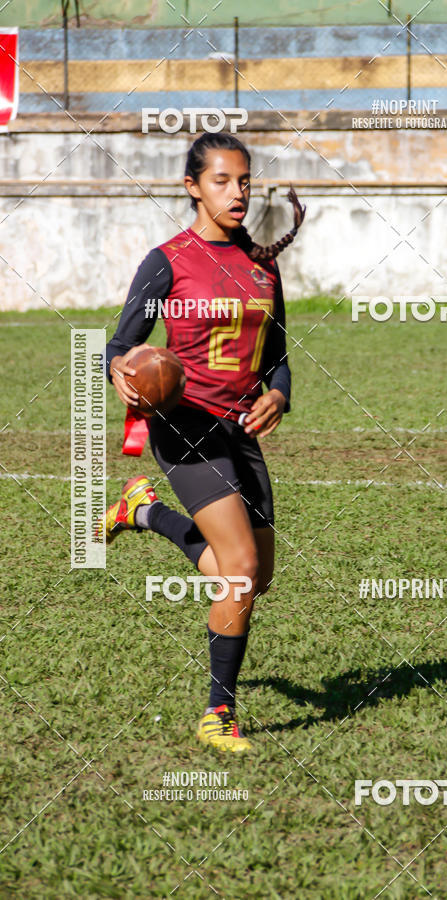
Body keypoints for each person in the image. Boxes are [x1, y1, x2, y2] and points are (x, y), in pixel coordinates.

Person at [98, 131, 305, 753]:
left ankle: (144, 512)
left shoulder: (263, 262)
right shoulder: (168, 260)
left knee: (253, 576)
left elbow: (278, 355)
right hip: (185, 427)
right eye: (221, 181)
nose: (237, 193)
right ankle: (219, 714)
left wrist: (279, 395)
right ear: (193, 187)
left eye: (243, 181)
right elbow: (118, 344)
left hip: (240, 430)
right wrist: (121, 374)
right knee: (237, 571)